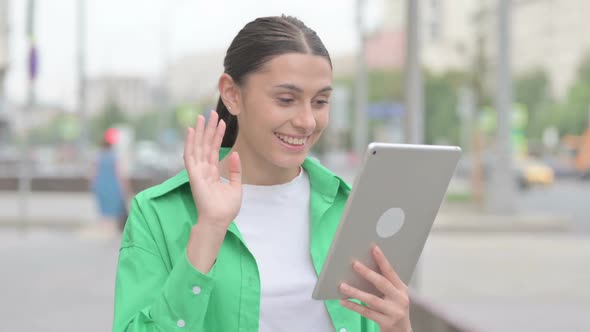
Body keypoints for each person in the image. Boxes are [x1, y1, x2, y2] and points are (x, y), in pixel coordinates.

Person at [113, 15, 412, 332]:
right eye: (286, 99)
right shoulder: (157, 214)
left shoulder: (347, 208)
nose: (308, 121)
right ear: (232, 94)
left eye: (321, 101)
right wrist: (209, 231)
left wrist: (399, 326)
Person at [88, 132, 130, 237]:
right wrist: (126, 187)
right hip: (113, 187)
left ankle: (104, 232)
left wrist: (93, 186)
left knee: (103, 210)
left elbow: (93, 173)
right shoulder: (114, 156)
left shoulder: (97, 156)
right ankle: (111, 233)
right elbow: (120, 173)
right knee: (114, 210)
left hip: (100, 186)